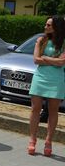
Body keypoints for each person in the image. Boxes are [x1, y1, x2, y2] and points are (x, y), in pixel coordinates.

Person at [27, 16, 65, 157]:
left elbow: (62, 63)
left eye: (48, 25)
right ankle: (32, 139)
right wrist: (54, 60)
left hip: (56, 80)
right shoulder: (41, 40)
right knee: (35, 109)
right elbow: (36, 60)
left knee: (53, 110)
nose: (45, 26)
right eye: (46, 24)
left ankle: (48, 141)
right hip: (40, 77)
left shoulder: (64, 43)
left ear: (57, 27)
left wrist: (46, 58)